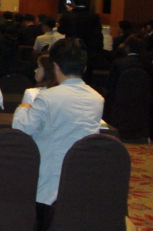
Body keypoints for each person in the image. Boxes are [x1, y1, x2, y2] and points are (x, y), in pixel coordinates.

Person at [12, 38, 104, 230]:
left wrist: (22, 108)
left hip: (49, 183)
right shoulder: (97, 99)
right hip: (83, 178)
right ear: (84, 67)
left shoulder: (47, 97)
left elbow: (21, 130)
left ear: (55, 66)